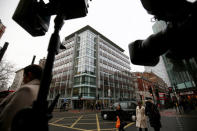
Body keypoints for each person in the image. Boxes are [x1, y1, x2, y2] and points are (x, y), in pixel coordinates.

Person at [0, 64, 43, 131]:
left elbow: (8, 119)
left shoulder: (26, 89)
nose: (23, 79)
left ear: (29, 74)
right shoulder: (40, 90)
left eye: (23, 76)